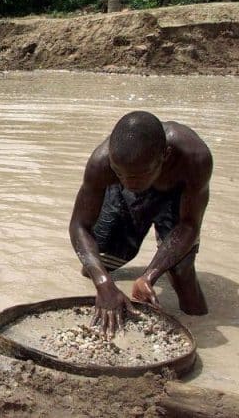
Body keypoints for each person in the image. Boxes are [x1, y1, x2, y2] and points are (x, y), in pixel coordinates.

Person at [69, 111, 211, 337]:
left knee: (182, 272)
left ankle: (201, 331)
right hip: (125, 199)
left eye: (139, 175)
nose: (128, 182)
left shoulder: (195, 157)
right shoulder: (101, 162)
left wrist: (149, 276)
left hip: (176, 198)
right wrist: (104, 283)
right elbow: (79, 225)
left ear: (165, 155)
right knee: (94, 266)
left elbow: (189, 225)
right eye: (119, 174)